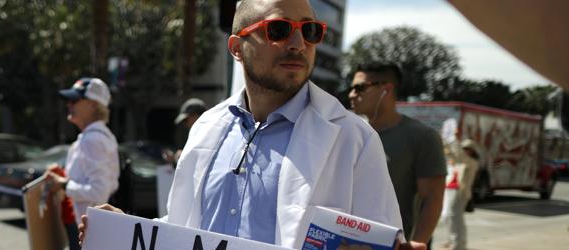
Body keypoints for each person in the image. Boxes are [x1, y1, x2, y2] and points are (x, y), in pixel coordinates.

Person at [81, 0, 409, 249]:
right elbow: (185, 226)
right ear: (237, 48)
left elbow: (375, 237)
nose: (298, 44)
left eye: (310, 31)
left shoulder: (355, 139)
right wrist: (125, 229)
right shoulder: (207, 127)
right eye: (279, 30)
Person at [349, 63, 447, 246]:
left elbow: (433, 198)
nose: (352, 94)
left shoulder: (422, 136)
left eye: (360, 88)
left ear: (386, 89)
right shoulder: (349, 133)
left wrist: (417, 243)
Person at [45, 77, 120, 250]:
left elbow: (99, 192)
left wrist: (63, 185)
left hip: (87, 229)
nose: (69, 105)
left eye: (74, 100)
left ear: (94, 105)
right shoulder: (97, 136)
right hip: (88, 227)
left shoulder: (92, 139)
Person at [438, 139, 479, 250]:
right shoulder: (460, 160)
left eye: (467, 149)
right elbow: (450, 154)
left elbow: (459, 156)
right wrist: (445, 142)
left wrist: (455, 140)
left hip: (460, 192)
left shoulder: (472, 162)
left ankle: (458, 244)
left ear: (472, 151)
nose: (465, 150)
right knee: (446, 216)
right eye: (464, 148)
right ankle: (452, 241)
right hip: (449, 189)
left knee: (455, 217)